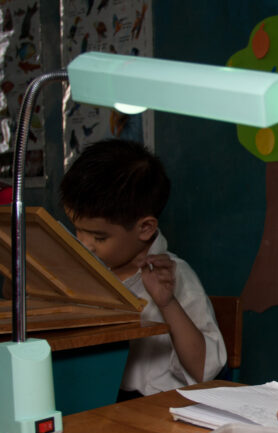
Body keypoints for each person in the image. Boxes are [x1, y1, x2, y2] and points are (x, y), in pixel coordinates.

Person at [59, 139, 226, 399]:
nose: (84, 244)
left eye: (99, 238)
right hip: (91, 403)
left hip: (151, 407)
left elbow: (204, 370)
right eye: (77, 230)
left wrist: (168, 303)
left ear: (145, 229)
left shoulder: (175, 276)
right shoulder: (81, 271)